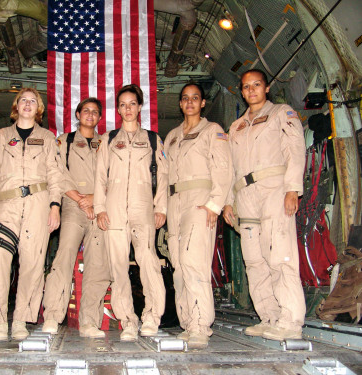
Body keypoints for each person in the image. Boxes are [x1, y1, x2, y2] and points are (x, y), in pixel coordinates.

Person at [223, 69, 306, 341]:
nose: (251, 90)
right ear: (242, 91)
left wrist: (293, 188)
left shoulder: (282, 113)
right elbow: (229, 169)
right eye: (246, 87)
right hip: (245, 196)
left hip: (274, 189)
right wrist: (229, 201)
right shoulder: (236, 127)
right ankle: (269, 316)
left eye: (256, 85)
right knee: (254, 259)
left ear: (266, 87)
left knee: (279, 254)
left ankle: (291, 319)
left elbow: (295, 150)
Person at [0, 88, 63, 342]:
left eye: (33, 101)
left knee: (32, 264)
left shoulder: (48, 138)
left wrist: (55, 206)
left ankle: (19, 320)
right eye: (23, 100)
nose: (28, 104)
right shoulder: (2, 136)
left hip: (38, 205)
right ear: (16, 106)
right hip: (6, 206)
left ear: (38, 109)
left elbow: (55, 174)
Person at [94, 84, 167, 341]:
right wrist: (100, 208)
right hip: (114, 211)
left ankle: (152, 317)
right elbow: (100, 176)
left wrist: (161, 208)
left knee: (149, 264)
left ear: (139, 106)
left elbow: (164, 176)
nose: (128, 109)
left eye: (132, 104)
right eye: (123, 104)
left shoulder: (154, 139)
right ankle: (127, 320)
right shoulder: (109, 139)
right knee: (118, 268)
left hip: (143, 209)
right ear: (119, 108)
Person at [164, 83, 232, 349]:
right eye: (185, 99)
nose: (190, 102)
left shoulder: (212, 131)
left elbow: (223, 168)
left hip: (199, 202)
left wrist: (215, 205)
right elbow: (165, 176)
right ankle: (188, 323)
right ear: (180, 104)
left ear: (203, 103)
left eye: (195, 98)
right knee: (179, 265)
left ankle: (202, 324)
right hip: (174, 204)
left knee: (194, 262)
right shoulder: (171, 136)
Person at [42, 98, 111, 338]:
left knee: (98, 266)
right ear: (78, 114)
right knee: (63, 259)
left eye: (95, 112)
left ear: (100, 118)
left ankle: (90, 322)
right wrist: (81, 199)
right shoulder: (65, 141)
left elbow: (115, 176)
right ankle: (52, 315)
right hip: (73, 206)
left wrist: (94, 199)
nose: (90, 115)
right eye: (86, 111)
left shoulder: (107, 143)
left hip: (100, 208)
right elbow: (57, 173)